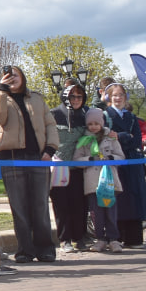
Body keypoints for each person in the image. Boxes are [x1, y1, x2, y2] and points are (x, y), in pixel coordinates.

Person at [0, 67, 59, 263]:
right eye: (8, 76)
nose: (12, 79)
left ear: (23, 77)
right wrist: (2, 90)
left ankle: (45, 249)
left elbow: (50, 124)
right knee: (19, 206)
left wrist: (50, 149)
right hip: (11, 157)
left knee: (40, 205)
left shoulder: (37, 98)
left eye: (16, 75)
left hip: (38, 157)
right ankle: (25, 250)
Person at [101, 85, 146, 246]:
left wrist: (120, 136)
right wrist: (126, 136)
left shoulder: (131, 116)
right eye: (115, 95)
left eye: (121, 95)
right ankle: (117, 236)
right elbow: (106, 135)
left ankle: (134, 237)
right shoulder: (105, 115)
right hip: (116, 161)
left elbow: (137, 140)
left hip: (132, 163)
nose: (118, 98)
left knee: (134, 199)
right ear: (109, 97)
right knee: (118, 198)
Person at [49, 83, 90, 252]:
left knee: (80, 204)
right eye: (72, 96)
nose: (76, 100)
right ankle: (64, 239)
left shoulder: (86, 115)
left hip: (79, 167)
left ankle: (79, 238)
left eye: (79, 97)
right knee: (61, 205)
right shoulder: (54, 114)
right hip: (59, 167)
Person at [76, 108, 124, 252]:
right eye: (90, 124)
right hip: (93, 183)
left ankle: (113, 239)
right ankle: (100, 239)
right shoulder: (83, 140)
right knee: (96, 213)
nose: (93, 127)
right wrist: (89, 159)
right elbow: (76, 159)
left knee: (111, 211)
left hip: (109, 182)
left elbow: (121, 156)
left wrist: (111, 159)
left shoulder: (111, 138)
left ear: (102, 123)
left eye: (96, 123)